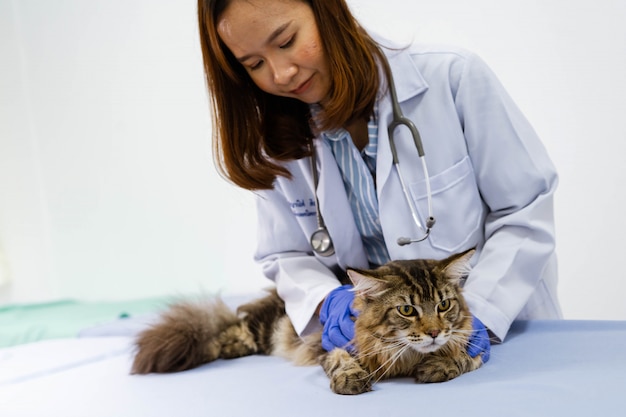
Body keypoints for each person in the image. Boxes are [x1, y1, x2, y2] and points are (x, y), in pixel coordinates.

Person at [197, 0, 562, 358]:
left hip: (503, 336)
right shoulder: (277, 139)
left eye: (286, 41)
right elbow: (285, 254)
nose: (281, 74)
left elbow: (525, 211)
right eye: (255, 63)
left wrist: (479, 312)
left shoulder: (451, 77)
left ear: (328, 10)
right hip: (382, 354)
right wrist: (327, 301)